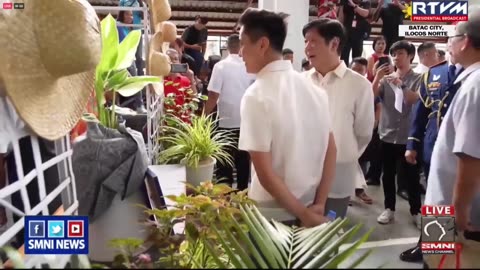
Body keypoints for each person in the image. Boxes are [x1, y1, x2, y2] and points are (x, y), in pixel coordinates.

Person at [237, 8, 337, 227]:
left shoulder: (256, 95)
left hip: (272, 213)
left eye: (243, 44)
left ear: (262, 44)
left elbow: (264, 173)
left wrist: (305, 215)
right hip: (311, 204)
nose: (240, 53)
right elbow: (331, 149)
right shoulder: (314, 89)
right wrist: (318, 204)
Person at [422, 11, 480, 268]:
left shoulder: (476, 84)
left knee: (439, 263)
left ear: (465, 41)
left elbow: (470, 155)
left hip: (449, 209)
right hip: (448, 202)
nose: (448, 43)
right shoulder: (469, 79)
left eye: (451, 37)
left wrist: (459, 212)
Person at [399, 35, 464, 265]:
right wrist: (412, 143)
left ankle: (447, 249)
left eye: (454, 40)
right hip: (434, 146)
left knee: (462, 201)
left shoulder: (473, 74)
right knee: (436, 198)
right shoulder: (435, 73)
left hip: (468, 152)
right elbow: (421, 113)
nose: (448, 45)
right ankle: (434, 250)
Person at [303, 18, 374, 218]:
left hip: (339, 174)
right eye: (305, 42)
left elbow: (363, 133)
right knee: (302, 235)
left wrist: (343, 157)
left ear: (334, 44)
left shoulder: (359, 85)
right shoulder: (300, 82)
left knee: (331, 227)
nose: (307, 48)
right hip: (303, 173)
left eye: (313, 41)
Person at [372, 40, 423, 227]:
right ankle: (389, 209)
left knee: (411, 177)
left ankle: (416, 211)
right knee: (387, 175)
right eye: (394, 54)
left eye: (400, 53)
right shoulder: (386, 79)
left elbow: (412, 100)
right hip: (387, 134)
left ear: (410, 56)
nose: (396, 57)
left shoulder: (419, 79)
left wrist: (401, 84)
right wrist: (377, 77)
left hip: (409, 137)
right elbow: (372, 97)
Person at [204, 34, 253, 190]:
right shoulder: (251, 66)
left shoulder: (221, 66)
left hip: (226, 123)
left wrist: (203, 117)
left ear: (227, 46)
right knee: (244, 164)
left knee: (224, 165)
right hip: (246, 123)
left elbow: (213, 95)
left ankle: (224, 201)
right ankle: (242, 198)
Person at [350, 57, 375, 204]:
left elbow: (376, 106)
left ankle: (357, 190)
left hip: (359, 133)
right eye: (354, 70)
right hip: (343, 134)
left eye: (361, 70)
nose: (357, 73)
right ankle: (349, 192)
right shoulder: (343, 85)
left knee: (359, 162)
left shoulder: (366, 87)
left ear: (366, 72)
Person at [338, 0, 371, 65]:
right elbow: (340, 19)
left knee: (357, 57)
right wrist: (341, 6)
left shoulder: (365, 2)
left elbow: (365, 13)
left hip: (359, 34)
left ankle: (355, 72)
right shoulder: (346, 2)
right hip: (347, 33)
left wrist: (354, 5)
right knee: (344, 56)